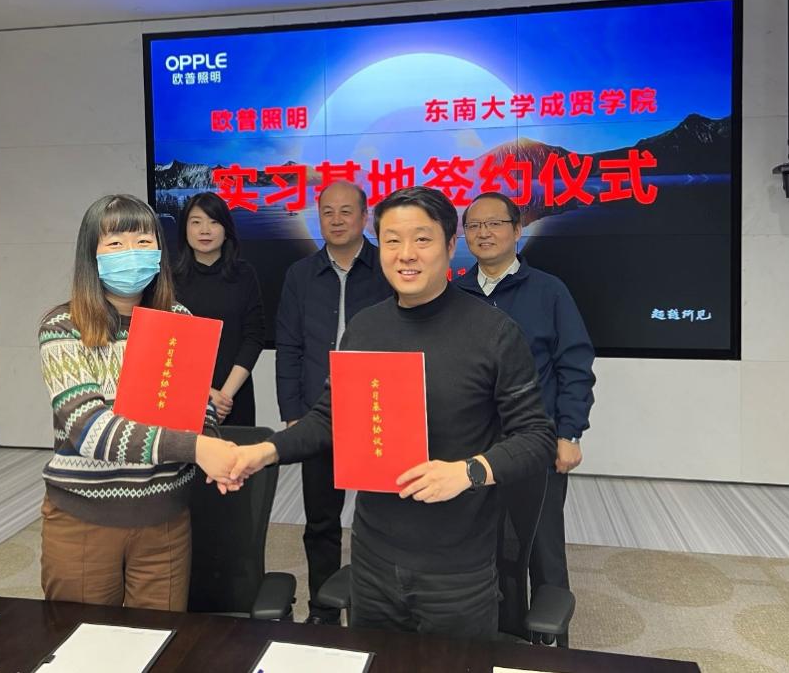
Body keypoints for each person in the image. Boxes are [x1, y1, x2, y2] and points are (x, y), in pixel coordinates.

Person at [231, 186, 555, 640]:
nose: (406, 254)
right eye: (392, 240)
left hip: (456, 569)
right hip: (373, 560)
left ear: (450, 244)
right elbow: (329, 418)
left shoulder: (494, 332)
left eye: (422, 239)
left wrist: (470, 472)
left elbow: (536, 437)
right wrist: (263, 452)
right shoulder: (366, 328)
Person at [38, 193, 240, 610]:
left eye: (143, 241)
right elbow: (89, 430)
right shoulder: (64, 326)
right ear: (91, 256)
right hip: (85, 520)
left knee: (159, 638)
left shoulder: (179, 319)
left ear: (159, 251)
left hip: (164, 520)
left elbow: (197, 407)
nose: (131, 252)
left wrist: (212, 444)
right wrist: (197, 448)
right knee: (81, 637)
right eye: (115, 243)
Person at [454, 191, 595, 597]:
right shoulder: (456, 297)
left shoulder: (549, 291)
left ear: (517, 230)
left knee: (542, 547)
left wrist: (569, 434)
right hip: (473, 446)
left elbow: (575, 365)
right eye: (474, 226)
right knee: (481, 547)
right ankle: (497, 628)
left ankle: (549, 631)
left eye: (494, 223)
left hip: (536, 443)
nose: (484, 233)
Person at [274, 180, 394, 625]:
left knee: (384, 517)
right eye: (328, 212)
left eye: (347, 211)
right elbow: (289, 346)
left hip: (377, 409)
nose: (337, 220)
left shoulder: (388, 268)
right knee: (321, 520)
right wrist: (292, 413)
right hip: (317, 413)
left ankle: (378, 610)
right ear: (318, 217)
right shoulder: (300, 275)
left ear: (365, 217)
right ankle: (323, 611)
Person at [173, 192, 265, 426]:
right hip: (182, 394)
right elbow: (165, 346)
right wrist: (203, 393)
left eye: (214, 222)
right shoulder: (169, 279)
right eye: (196, 222)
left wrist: (224, 396)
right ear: (185, 229)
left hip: (233, 398)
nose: (205, 230)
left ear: (226, 230)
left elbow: (254, 337)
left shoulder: (244, 274)